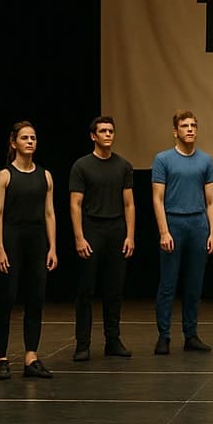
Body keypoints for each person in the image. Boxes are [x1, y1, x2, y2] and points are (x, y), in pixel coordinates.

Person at [0, 121, 57, 380]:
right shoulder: (4, 176)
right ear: (14, 142)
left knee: (35, 298)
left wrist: (53, 247)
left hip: (37, 240)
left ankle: (31, 357)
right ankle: (2, 357)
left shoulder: (45, 175)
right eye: (25, 137)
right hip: (11, 239)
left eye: (33, 137)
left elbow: (50, 213)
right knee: (6, 298)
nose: (30, 141)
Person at [151, 110, 213, 354]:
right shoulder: (163, 159)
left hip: (198, 224)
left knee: (194, 284)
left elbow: (211, 200)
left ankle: (191, 335)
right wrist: (163, 231)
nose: (190, 129)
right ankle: (164, 335)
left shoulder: (206, 161)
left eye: (193, 125)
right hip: (174, 223)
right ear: (175, 132)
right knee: (168, 283)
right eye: (185, 126)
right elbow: (157, 199)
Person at [69, 116, 135, 361]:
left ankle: (113, 340)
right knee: (86, 289)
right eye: (103, 131)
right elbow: (75, 204)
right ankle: (82, 344)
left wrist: (130, 235)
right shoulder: (82, 166)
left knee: (114, 289)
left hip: (116, 228)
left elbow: (129, 204)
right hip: (91, 228)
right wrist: (79, 237)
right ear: (93, 136)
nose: (108, 135)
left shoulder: (124, 166)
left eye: (111, 131)